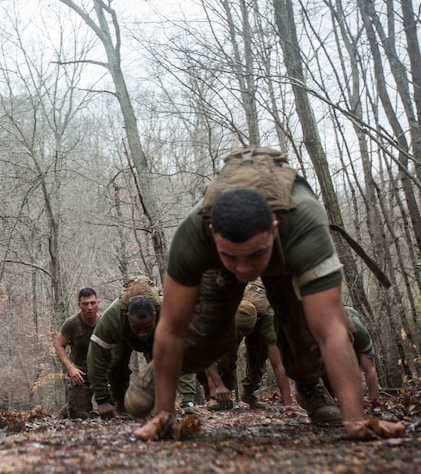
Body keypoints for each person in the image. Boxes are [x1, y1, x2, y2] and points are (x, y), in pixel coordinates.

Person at [134, 147, 403, 441]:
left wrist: (356, 421)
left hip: (288, 255)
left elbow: (332, 331)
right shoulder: (193, 234)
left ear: (274, 230)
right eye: (232, 257)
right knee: (204, 337)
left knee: (305, 338)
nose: (245, 268)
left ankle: (311, 388)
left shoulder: (305, 226)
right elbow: (172, 328)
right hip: (231, 260)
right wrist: (163, 416)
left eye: (254, 255)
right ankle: (156, 372)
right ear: (211, 234)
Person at [86, 276, 199, 418]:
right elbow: (96, 358)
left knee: (162, 364)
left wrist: (188, 401)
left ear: (155, 316)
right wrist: (101, 399)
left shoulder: (169, 313)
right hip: (124, 338)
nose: (142, 334)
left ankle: (161, 400)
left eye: (146, 327)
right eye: (137, 328)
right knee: (115, 365)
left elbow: (183, 355)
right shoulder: (112, 318)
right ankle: (121, 405)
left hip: (159, 336)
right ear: (127, 317)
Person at [203, 282, 293, 410]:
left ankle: (249, 393)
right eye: (240, 331)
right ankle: (223, 396)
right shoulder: (224, 315)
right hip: (233, 320)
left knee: (258, 359)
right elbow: (209, 357)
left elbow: (277, 363)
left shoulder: (268, 317)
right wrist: (218, 386)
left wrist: (287, 403)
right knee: (225, 358)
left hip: (261, 315)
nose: (242, 335)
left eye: (245, 331)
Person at [53, 288, 100, 418]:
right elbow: (59, 346)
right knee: (80, 416)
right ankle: (70, 407)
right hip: (80, 375)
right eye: (85, 304)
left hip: (101, 373)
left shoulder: (105, 322)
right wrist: (70, 368)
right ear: (79, 305)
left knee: (114, 411)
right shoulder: (71, 324)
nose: (90, 307)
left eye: (92, 303)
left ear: (98, 302)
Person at [323, 306, 380, 402]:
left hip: (353, 329)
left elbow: (370, 370)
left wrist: (374, 403)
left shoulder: (361, 335)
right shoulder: (321, 335)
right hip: (329, 345)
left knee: (353, 370)